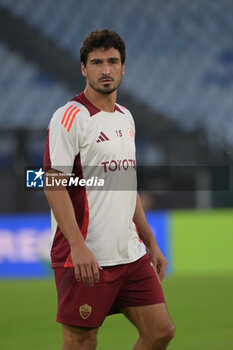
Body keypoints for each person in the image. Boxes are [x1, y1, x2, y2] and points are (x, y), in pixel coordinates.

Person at [44, 29, 175, 350]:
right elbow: (52, 183)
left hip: (130, 254)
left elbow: (126, 186)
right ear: (83, 69)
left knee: (160, 331)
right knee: (82, 341)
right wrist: (77, 246)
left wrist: (149, 240)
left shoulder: (125, 117)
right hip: (86, 254)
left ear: (123, 67)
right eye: (97, 62)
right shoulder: (69, 117)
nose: (106, 69)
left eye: (113, 61)